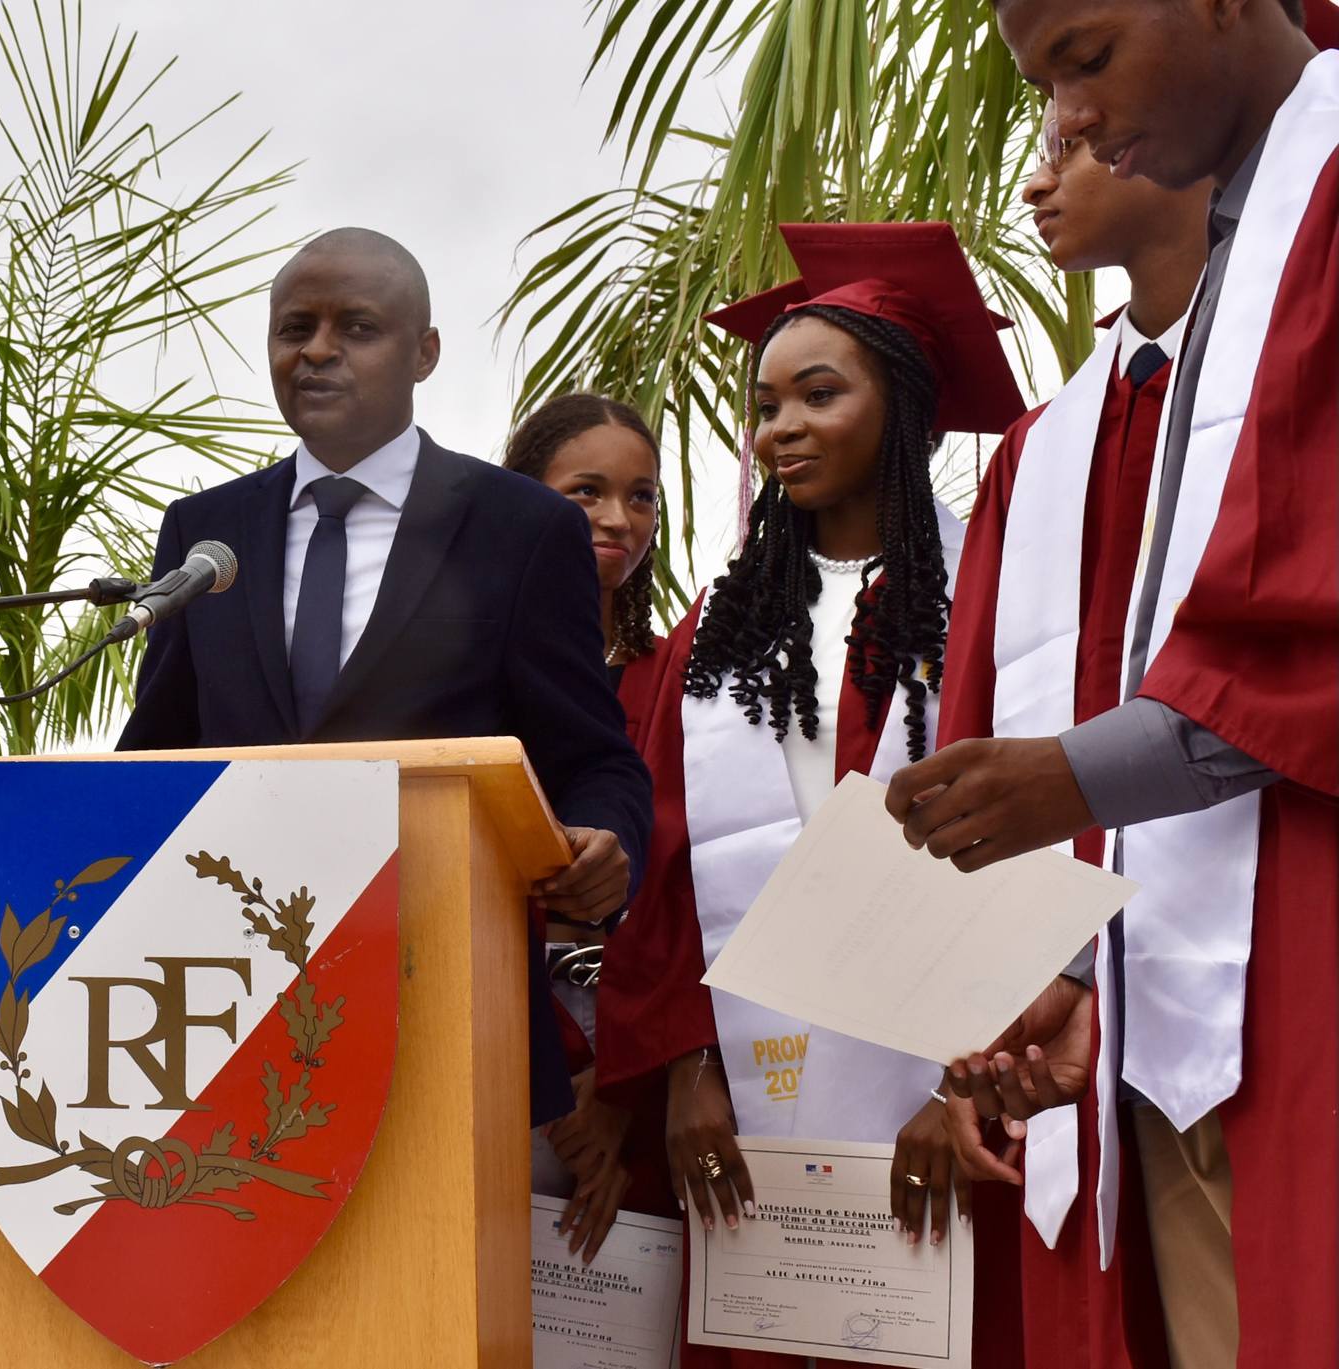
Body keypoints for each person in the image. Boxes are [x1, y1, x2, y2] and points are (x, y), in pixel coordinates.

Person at [888, 2, 1338, 1364]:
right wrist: (1075, 959)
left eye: (1081, 62)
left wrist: (1076, 778)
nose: (1061, 128)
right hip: (1165, 1009)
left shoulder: (1304, 227)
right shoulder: (1066, 434)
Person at [594, 222, 1029, 1368]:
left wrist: (968, 1083)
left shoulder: (995, 595)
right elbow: (665, 873)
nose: (780, 427)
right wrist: (690, 1067)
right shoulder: (713, 632)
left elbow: (1041, 853)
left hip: (947, 1104)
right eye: (765, 404)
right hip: (745, 1111)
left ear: (903, 407)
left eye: (817, 394)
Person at [119, 227, 655, 1125]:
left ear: (425, 352)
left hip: (444, 988)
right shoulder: (207, 535)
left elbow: (591, 751)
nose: (317, 351)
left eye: (356, 327)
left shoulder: (518, 529)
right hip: (224, 1006)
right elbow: (157, 747)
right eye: (296, 327)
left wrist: (608, 836)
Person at [935, 102, 1211, 1369]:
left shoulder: (1267, 370)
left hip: (1249, 964)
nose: (1035, 185)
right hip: (1085, 1008)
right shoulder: (1042, 449)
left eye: (1068, 137)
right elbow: (977, 733)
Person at [503, 391, 673, 1263]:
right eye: (586, 491)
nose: (619, 518)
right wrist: (556, 1086)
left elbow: (690, 885)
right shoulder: (476, 674)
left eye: (642, 495)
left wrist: (621, 1088)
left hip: (654, 1053)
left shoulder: (681, 672)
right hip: (507, 1034)